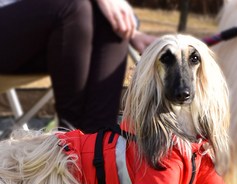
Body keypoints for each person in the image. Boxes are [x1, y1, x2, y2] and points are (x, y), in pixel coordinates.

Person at [0, 0, 157, 132]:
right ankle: (70, 143)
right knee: (74, 7)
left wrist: (130, 29)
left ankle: (98, 145)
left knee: (109, 22)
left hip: (52, 33)